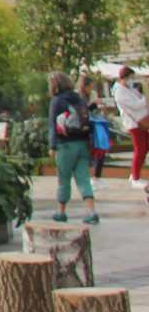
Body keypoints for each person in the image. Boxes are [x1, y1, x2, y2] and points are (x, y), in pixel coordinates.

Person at [48, 71, 98, 223]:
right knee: (83, 178)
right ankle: (92, 212)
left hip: (66, 145)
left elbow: (53, 126)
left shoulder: (57, 102)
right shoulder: (79, 99)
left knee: (64, 179)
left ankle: (61, 212)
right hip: (83, 144)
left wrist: (53, 146)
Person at [111, 66, 149, 188]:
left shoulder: (129, 88)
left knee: (145, 147)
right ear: (125, 78)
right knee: (140, 150)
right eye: (131, 78)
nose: (133, 80)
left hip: (141, 121)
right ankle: (135, 177)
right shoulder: (120, 91)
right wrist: (145, 99)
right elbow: (134, 105)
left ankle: (135, 174)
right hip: (134, 123)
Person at [78, 74, 109, 189]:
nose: (91, 89)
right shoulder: (79, 98)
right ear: (84, 87)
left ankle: (97, 177)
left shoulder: (90, 96)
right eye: (89, 87)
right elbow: (83, 112)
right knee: (89, 154)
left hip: (94, 126)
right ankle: (89, 179)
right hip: (85, 128)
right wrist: (92, 106)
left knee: (100, 151)